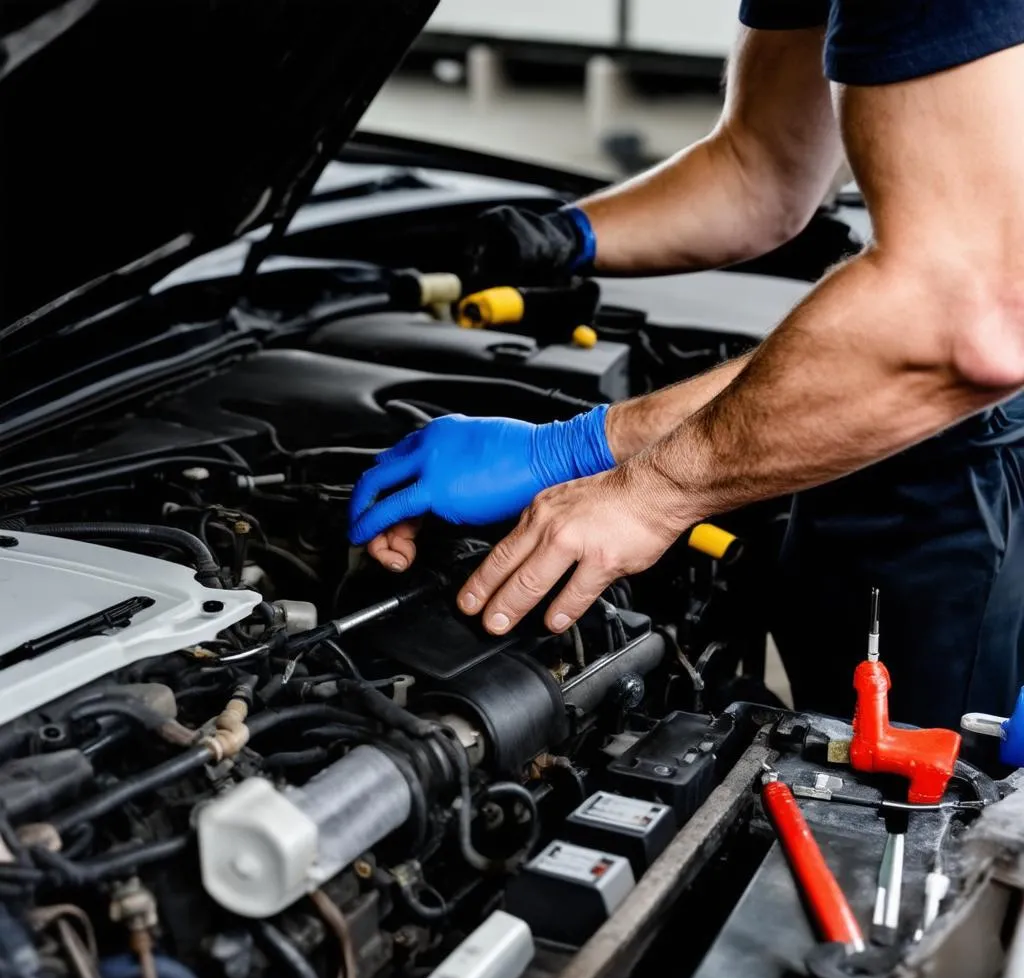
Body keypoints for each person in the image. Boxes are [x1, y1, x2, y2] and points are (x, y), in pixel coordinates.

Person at [349, 1, 1024, 731]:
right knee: (831, 734)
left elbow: (973, 322)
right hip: (886, 431)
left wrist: (628, 476)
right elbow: (759, 168)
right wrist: (561, 237)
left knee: (919, 790)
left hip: (963, 439)